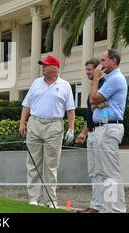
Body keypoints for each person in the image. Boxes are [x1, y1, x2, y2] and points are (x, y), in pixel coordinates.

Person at [19, 55, 75, 208]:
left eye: (46, 65)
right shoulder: (36, 83)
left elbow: (70, 109)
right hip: (35, 123)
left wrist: (71, 128)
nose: (42, 67)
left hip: (54, 126)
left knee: (51, 165)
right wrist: (22, 122)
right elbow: (27, 105)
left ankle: (51, 201)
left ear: (55, 68)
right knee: (33, 163)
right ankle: (33, 199)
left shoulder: (64, 85)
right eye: (42, 65)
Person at [89, 49, 127, 213]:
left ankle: (116, 209)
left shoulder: (115, 78)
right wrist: (100, 104)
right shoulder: (109, 79)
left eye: (104, 60)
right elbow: (95, 105)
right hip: (104, 126)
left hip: (110, 128)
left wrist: (96, 78)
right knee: (103, 171)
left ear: (114, 61)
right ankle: (106, 207)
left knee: (110, 172)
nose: (100, 64)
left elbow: (94, 98)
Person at [76, 58, 105, 213]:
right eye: (86, 69)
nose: (87, 72)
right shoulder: (95, 86)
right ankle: (95, 205)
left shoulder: (104, 85)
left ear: (97, 70)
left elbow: (105, 111)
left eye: (90, 69)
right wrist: (83, 133)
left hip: (102, 133)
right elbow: (91, 113)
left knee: (102, 172)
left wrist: (99, 105)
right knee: (93, 172)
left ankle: (102, 206)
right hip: (92, 133)